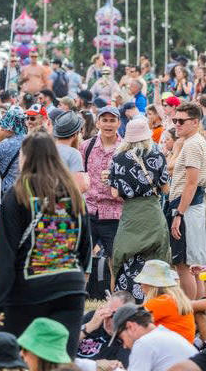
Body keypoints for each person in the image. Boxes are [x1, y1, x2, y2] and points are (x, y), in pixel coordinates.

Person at [0, 132, 91, 357]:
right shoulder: (73, 193)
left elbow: (6, 253)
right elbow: (85, 246)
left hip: (29, 287)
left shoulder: (19, 193)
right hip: (70, 286)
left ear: (25, 157)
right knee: (61, 359)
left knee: (15, 357)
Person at [108, 118, 170, 296]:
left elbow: (114, 194)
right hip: (152, 212)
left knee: (125, 257)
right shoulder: (158, 156)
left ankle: (124, 298)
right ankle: (153, 297)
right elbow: (166, 190)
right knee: (155, 257)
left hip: (130, 216)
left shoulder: (118, 158)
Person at [167, 102, 206, 298]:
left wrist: (179, 214)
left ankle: (189, 311)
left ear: (194, 122)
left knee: (183, 265)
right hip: (192, 206)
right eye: (175, 120)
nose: (176, 124)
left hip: (187, 206)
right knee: (194, 266)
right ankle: (197, 314)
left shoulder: (192, 144)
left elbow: (191, 183)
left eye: (181, 121)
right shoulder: (195, 141)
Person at [82, 104, 123, 295]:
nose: (108, 124)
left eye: (112, 120)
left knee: (116, 262)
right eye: (104, 120)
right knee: (83, 258)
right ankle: (78, 300)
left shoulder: (125, 149)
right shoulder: (87, 146)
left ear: (119, 123)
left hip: (114, 212)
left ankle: (116, 302)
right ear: (98, 122)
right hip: (89, 209)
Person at [110, 304, 195, 371]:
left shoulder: (144, 343)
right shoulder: (163, 335)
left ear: (131, 326)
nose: (124, 346)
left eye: (121, 338)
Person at [135, 260, 196, 344]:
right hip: (182, 350)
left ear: (151, 284)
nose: (140, 285)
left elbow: (131, 320)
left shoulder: (162, 302)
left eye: (142, 281)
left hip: (172, 352)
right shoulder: (173, 299)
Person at [78, 290, 132, 368]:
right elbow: (64, 344)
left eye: (114, 315)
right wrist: (89, 327)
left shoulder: (127, 340)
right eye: (106, 311)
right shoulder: (93, 317)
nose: (107, 317)